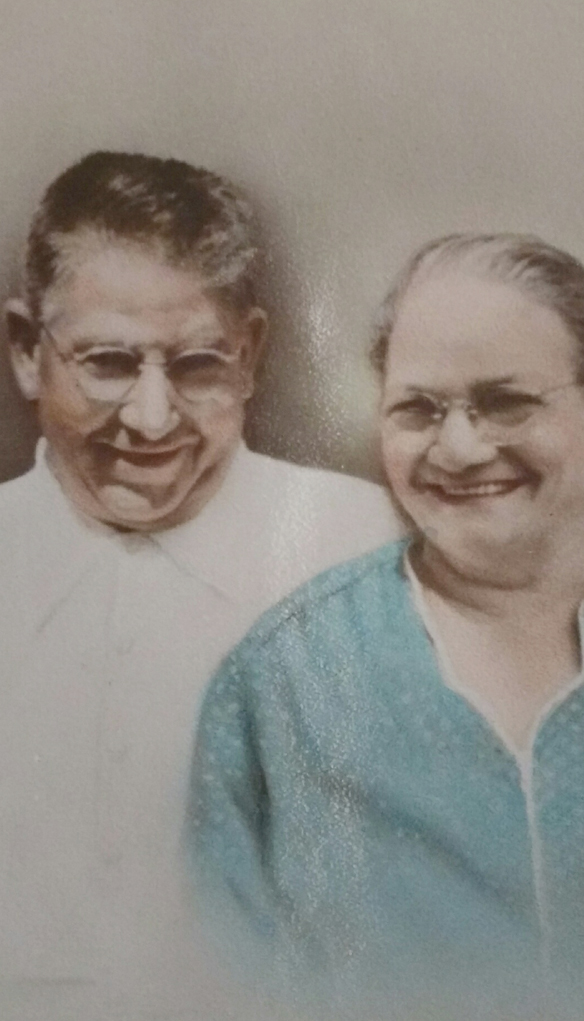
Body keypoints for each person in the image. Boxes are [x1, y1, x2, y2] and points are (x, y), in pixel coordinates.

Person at [188, 233, 584, 1021]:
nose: (460, 448)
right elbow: (210, 981)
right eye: (419, 409)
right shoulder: (284, 681)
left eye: (507, 401)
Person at [0, 150, 402, 1020]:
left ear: (250, 353)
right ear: (28, 351)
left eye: (196, 366)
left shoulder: (368, 552)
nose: (152, 419)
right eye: (108, 362)